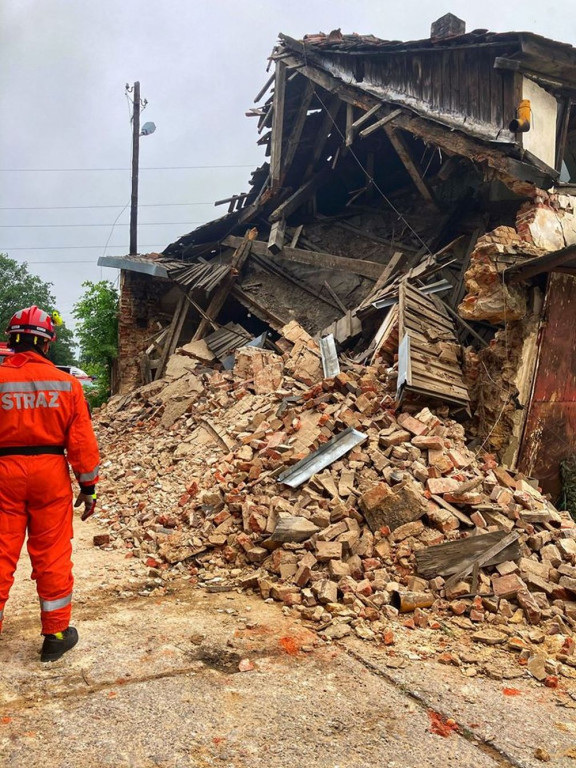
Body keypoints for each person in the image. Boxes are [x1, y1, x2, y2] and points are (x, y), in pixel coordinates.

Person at [0, 306, 100, 662]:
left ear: (12, 339)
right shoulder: (67, 384)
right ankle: (56, 634)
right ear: (47, 343)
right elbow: (82, 444)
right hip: (50, 473)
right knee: (53, 553)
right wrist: (88, 487)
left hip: (3, 472)